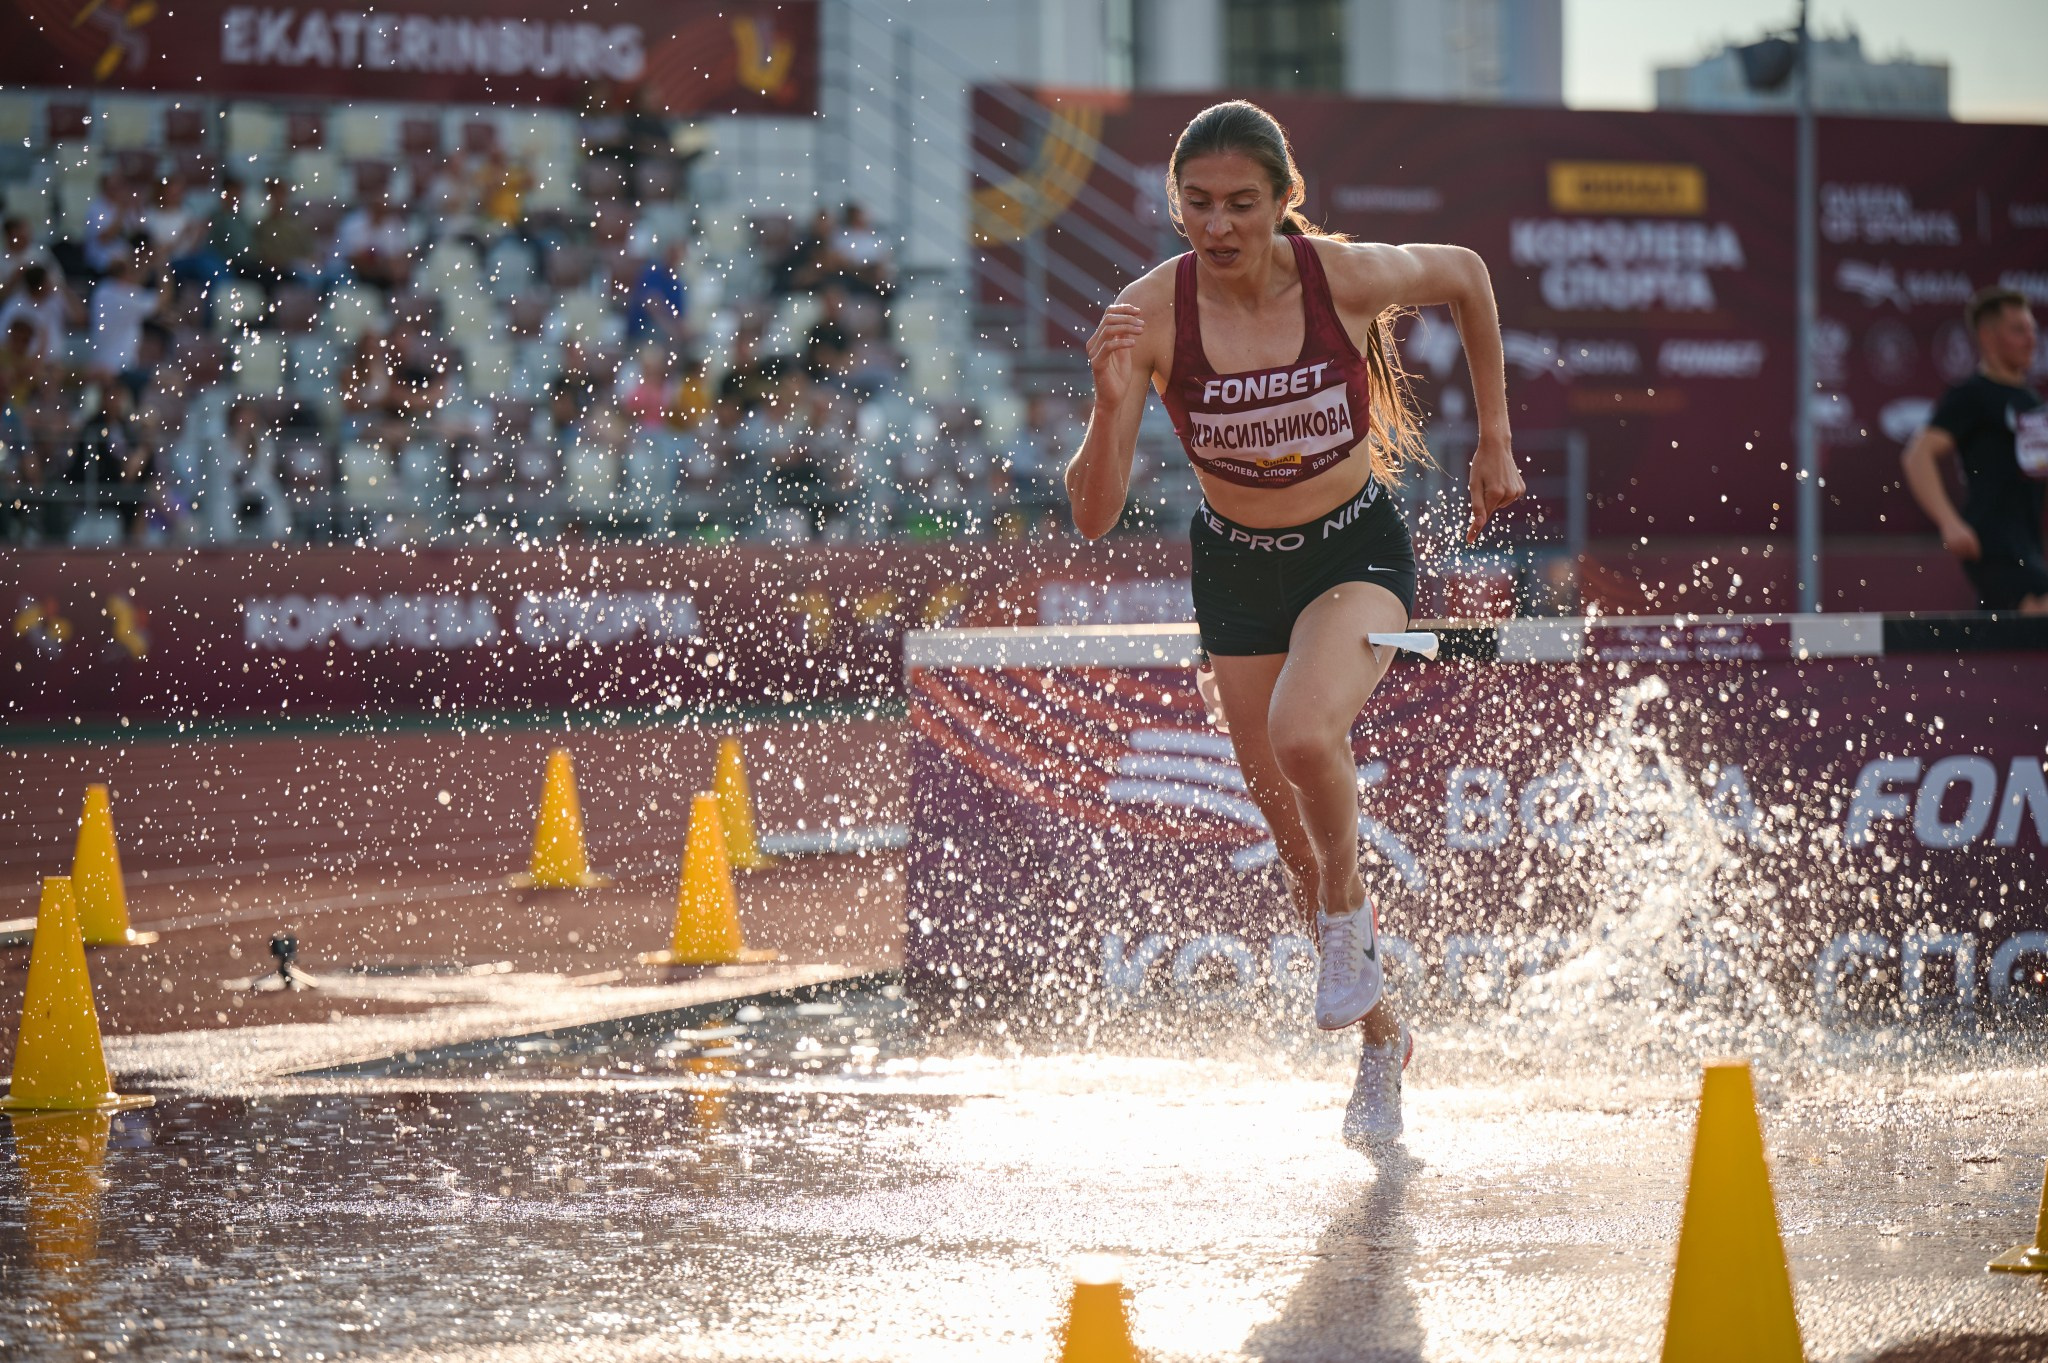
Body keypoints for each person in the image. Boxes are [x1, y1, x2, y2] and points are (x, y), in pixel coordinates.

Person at [1065, 101, 1522, 1150]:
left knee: (1303, 733)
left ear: (1283, 203)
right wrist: (1103, 403)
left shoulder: (1341, 278)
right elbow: (1090, 518)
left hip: (1352, 550)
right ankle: (1379, 1038)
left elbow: (1464, 273)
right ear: (1172, 204)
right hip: (1233, 571)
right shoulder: (1149, 316)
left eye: (1239, 204)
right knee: (1293, 848)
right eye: (1196, 204)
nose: (1217, 226)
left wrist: (1492, 440)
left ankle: (1346, 921)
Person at [1901, 287, 2046, 615]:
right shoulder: (1972, 395)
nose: (2031, 340)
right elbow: (1917, 455)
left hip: (2030, 545)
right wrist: (1949, 522)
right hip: (1991, 543)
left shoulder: (2032, 402)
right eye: (2019, 330)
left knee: (2016, 648)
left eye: (2033, 330)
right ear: (1988, 336)